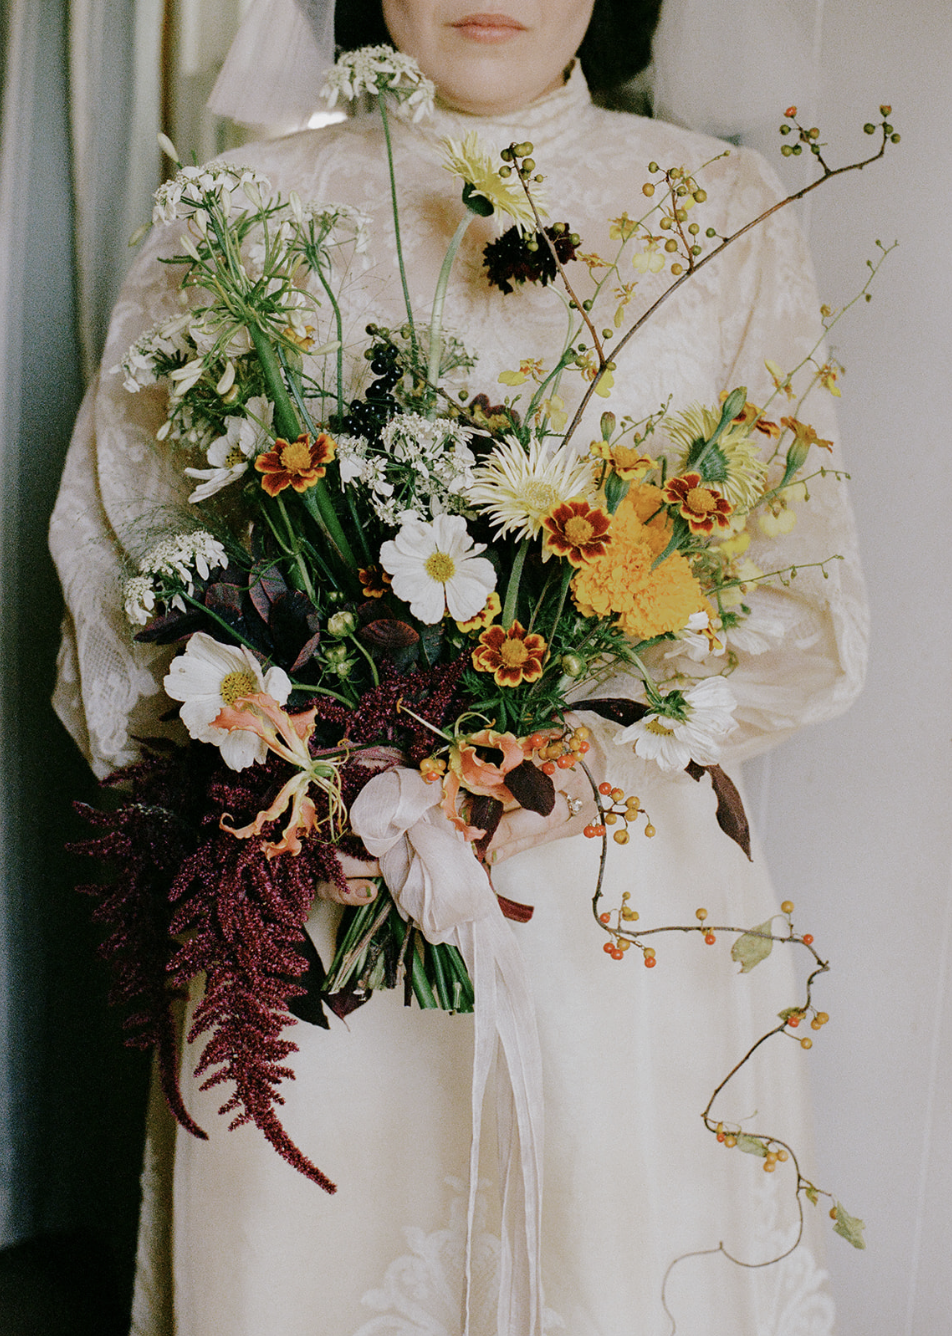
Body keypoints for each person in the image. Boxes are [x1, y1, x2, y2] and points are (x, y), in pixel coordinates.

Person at [50, 1, 866, 1332]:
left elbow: (800, 582)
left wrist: (571, 755)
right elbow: (120, 554)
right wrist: (297, 765)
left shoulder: (723, 206)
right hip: (318, 898)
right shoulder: (234, 207)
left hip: (617, 893)